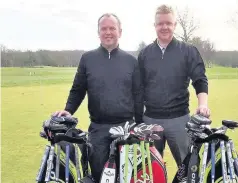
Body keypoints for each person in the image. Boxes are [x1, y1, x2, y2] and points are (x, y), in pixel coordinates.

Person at [53, 13, 144, 182]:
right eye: (104, 28)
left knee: (127, 177)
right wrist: (68, 110)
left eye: (112, 28)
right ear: (98, 32)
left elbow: (138, 95)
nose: (108, 32)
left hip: (126, 128)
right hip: (98, 129)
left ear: (120, 32)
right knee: (98, 176)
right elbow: (78, 89)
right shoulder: (87, 59)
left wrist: (139, 126)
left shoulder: (131, 61)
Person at [137, 4, 210, 167]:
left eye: (168, 23)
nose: (164, 27)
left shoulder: (188, 51)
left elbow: (200, 80)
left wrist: (203, 105)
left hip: (180, 120)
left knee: (187, 167)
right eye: (160, 23)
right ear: (154, 26)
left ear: (175, 25)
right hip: (150, 120)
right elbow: (138, 88)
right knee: (149, 170)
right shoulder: (144, 54)